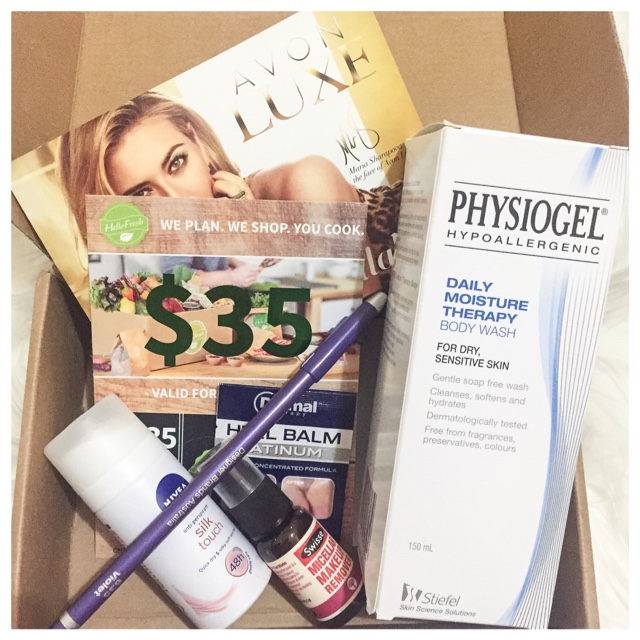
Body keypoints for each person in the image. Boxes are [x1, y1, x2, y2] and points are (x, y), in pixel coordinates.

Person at [57, 91, 402, 291]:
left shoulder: (304, 183)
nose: (178, 202)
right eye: (141, 196)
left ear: (196, 142)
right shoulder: (156, 274)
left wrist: (254, 233)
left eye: (177, 163)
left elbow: (356, 341)